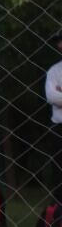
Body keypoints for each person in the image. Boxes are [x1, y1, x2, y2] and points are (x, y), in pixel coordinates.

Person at [47, 32, 62, 200]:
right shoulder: (54, 71)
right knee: (59, 175)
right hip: (60, 130)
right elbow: (52, 97)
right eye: (59, 42)